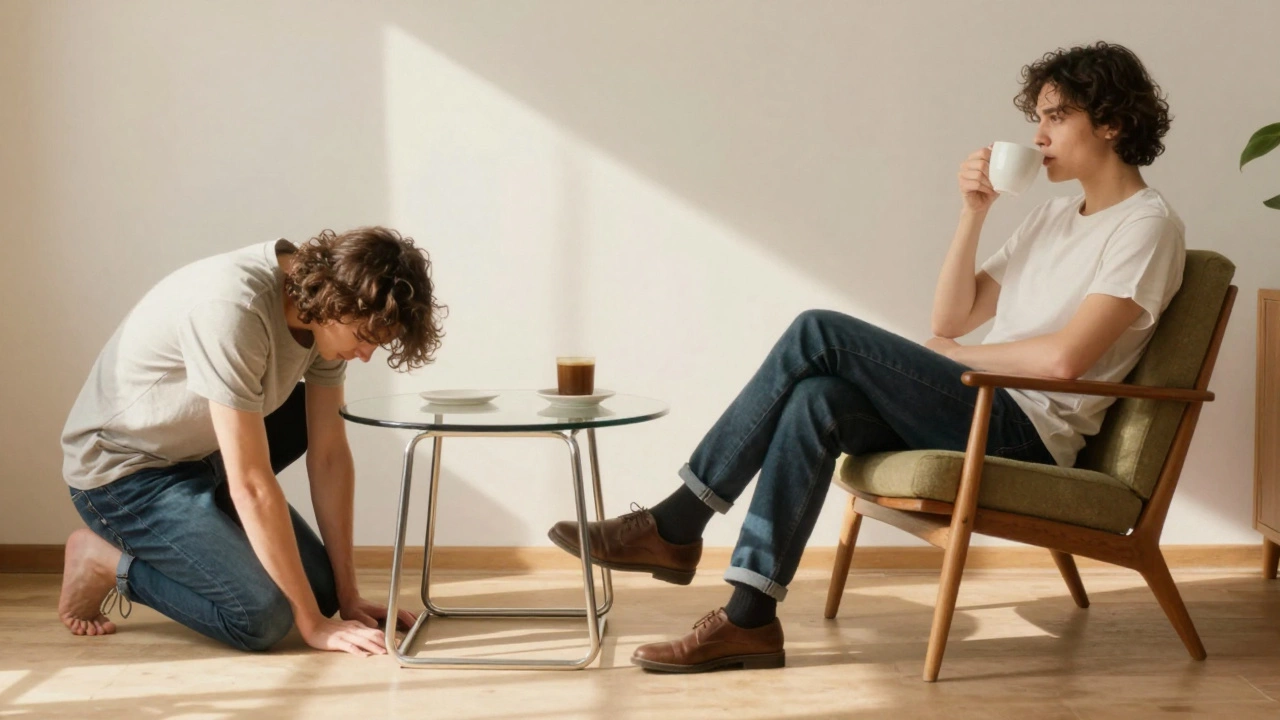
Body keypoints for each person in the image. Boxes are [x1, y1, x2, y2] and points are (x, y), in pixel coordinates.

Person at [548, 41, 1185, 673]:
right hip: (987, 401)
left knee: (818, 331)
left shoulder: (1145, 226)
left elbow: (1068, 360)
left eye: (1056, 116)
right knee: (815, 399)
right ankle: (749, 619)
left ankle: (680, 520)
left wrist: (963, 357)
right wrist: (973, 214)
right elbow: (950, 317)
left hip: (1029, 431)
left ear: (1112, 122)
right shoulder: (1049, 218)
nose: (1038, 135)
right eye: (1037, 119)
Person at [58, 227, 446, 656]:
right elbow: (251, 480)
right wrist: (313, 626)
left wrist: (348, 596)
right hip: (124, 474)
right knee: (263, 618)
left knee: (323, 591)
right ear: (337, 303)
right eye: (365, 339)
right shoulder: (232, 308)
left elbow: (330, 455)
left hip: (201, 456)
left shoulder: (323, 312)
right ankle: (100, 561)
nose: (367, 354)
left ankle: (240, 541)